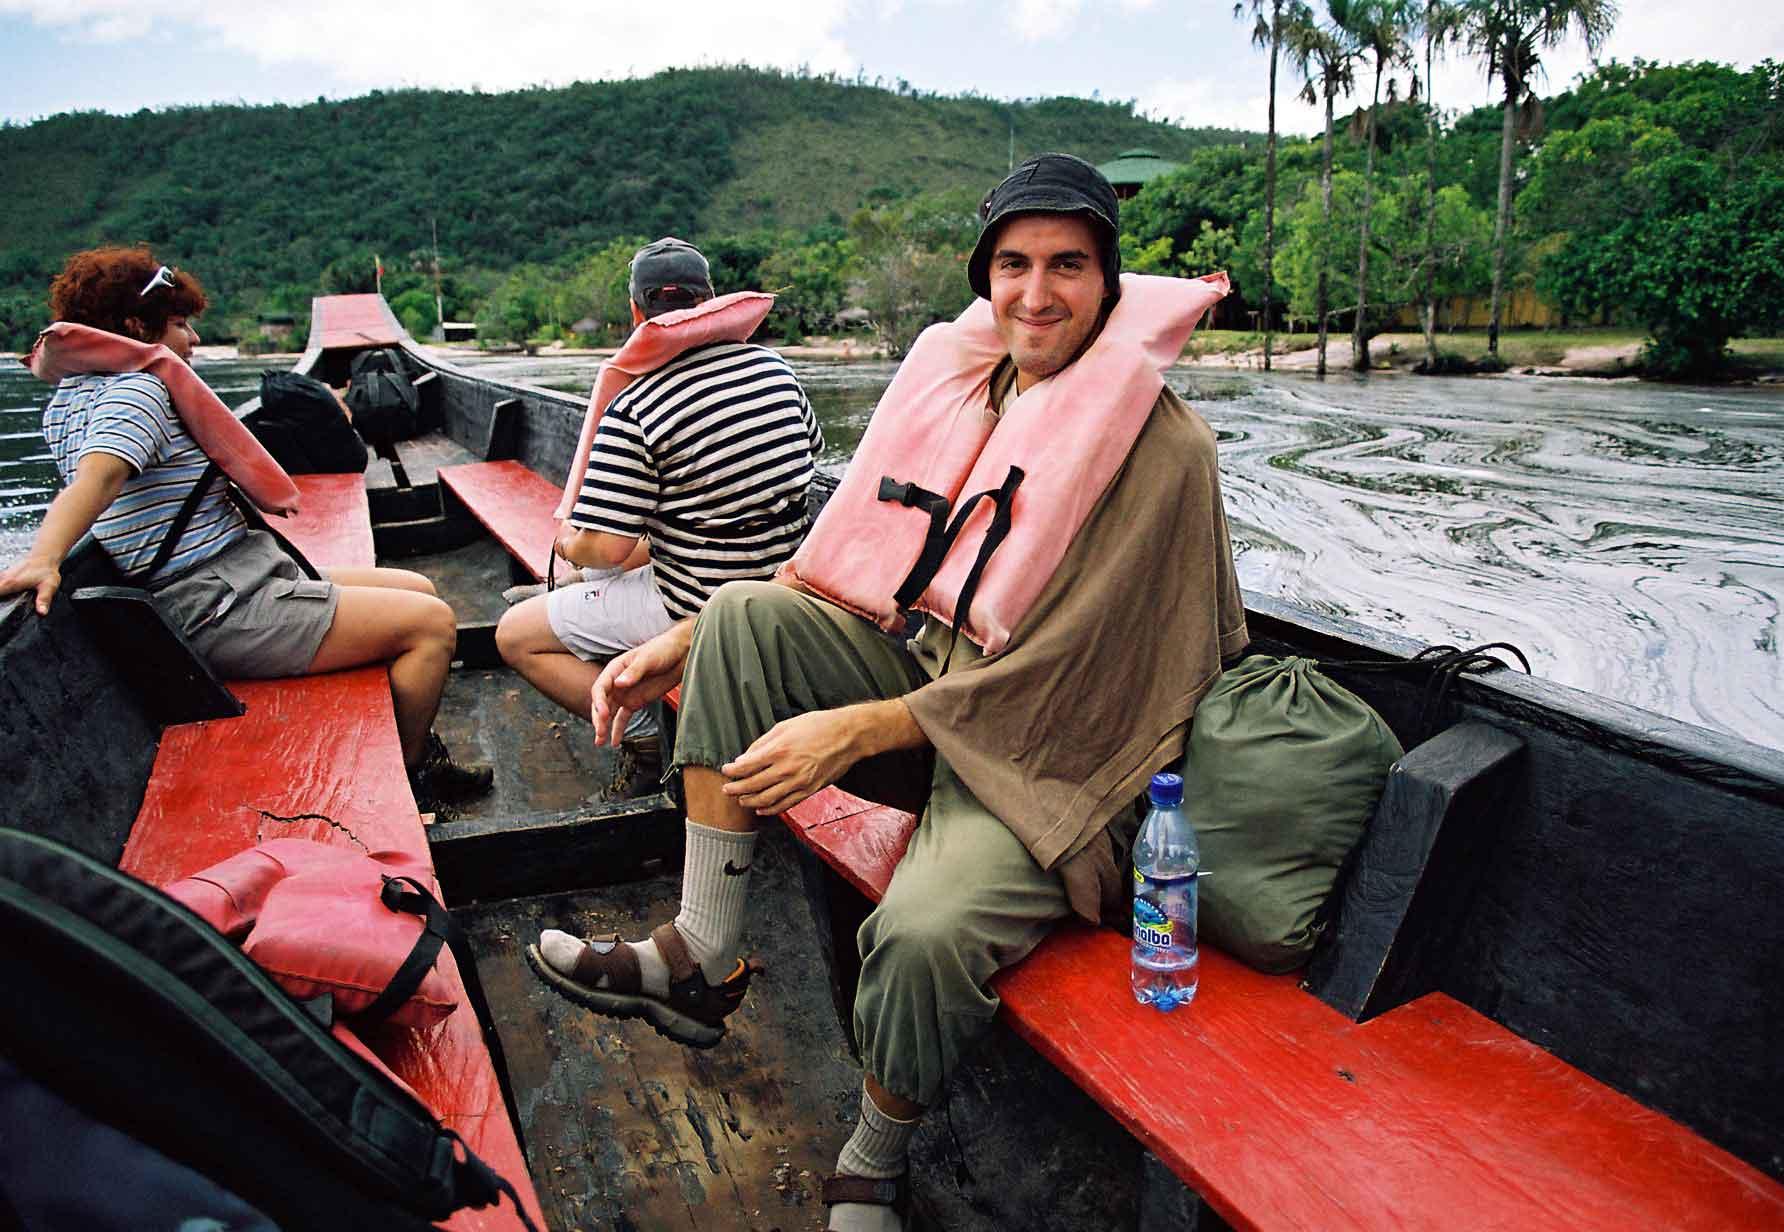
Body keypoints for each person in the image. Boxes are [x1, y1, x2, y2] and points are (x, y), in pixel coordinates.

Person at [528, 155, 1249, 1231]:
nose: (1036, 292)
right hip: (935, 690)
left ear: (1109, 283)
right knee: (740, 616)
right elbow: (861, 562)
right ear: (984, 278)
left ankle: (875, 1154)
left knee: (921, 935)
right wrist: (682, 636)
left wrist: (859, 729)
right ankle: (700, 949)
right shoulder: (978, 390)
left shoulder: (1163, 449)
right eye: (1013, 265)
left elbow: (1088, 682)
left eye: (1068, 265)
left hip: (1051, 762)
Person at [0, 246, 490, 812]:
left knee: (417, 587)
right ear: (136, 327)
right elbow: (101, 475)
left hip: (237, 576)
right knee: (431, 625)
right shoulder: (138, 390)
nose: (193, 339)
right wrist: (46, 557)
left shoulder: (70, 398)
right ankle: (412, 775)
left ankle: (408, 740)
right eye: (180, 324)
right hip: (215, 604)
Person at [493, 237, 822, 753]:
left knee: (514, 634)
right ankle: (574, 599)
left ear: (635, 313)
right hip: (778, 585)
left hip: (693, 604)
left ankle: (640, 733)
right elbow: (809, 456)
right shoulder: (777, 370)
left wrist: (567, 544)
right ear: (711, 300)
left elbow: (607, 548)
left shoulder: (637, 405)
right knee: (623, 550)